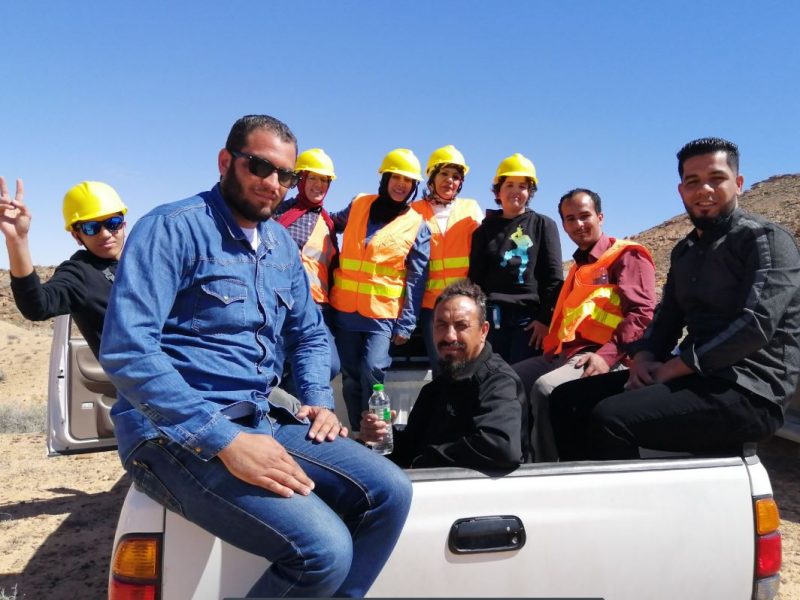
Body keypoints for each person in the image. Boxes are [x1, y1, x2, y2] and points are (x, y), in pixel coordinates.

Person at [99, 114, 412, 598]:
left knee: (390, 492)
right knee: (324, 552)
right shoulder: (171, 229)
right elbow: (128, 351)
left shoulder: (281, 249)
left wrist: (316, 400)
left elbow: (309, 335)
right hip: (170, 435)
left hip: (260, 418)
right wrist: (224, 440)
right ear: (227, 161)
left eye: (285, 175)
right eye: (260, 167)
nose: (273, 185)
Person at [550, 137, 800, 461]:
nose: (704, 190)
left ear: (738, 184)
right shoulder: (685, 251)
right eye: (693, 181)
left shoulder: (764, 240)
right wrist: (643, 357)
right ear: (681, 190)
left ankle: (622, 509)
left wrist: (675, 367)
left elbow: (755, 324)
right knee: (566, 399)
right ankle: (576, 495)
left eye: (717, 179)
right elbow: (667, 316)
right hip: (693, 377)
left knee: (611, 418)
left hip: (749, 388)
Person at [513, 188, 656, 461]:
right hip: (562, 355)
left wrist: (607, 356)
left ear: (600, 216)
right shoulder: (579, 268)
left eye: (584, 216)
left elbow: (642, 313)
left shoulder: (625, 255)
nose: (578, 225)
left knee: (546, 389)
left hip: (602, 354)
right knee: (507, 380)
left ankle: (548, 470)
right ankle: (517, 459)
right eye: (570, 219)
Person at [360, 279, 525, 470]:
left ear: (483, 331)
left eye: (461, 326)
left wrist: (424, 462)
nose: (449, 336)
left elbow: (501, 447)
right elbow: (410, 450)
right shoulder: (435, 389)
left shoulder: (498, 382)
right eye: (441, 325)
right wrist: (380, 436)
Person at [329, 148, 431, 431]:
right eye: (396, 177)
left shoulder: (417, 225)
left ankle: (379, 431)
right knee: (349, 375)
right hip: (345, 310)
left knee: (374, 371)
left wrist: (407, 323)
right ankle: (359, 433)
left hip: (382, 315)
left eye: (408, 180)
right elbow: (329, 223)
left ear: (413, 187)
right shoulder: (358, 204)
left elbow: (416, 277)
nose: (401, 184)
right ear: (385, 178)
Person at [0, 177, 127, 358]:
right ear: (77, 236)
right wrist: (17, 241)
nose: (105, 234)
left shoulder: (144, 263)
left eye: (112, 223)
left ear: (123, 224)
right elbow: (36, 306)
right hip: (145, 382)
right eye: (91, 227)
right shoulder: (79, 274)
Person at [468, 153, 563, 364]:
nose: (515, 191)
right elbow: (475, 280)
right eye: (509, 184)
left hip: (529, 323)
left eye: (522, 186)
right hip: (491, 320)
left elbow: (554, 278)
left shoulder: (543, 225)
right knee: (491, 382)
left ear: (530, 192)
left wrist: (544, 320)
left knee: (521, 382)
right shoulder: (483, 232)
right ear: (498, 190)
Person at [411, 145, 483, 376]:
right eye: (444, 174)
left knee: (469, 368)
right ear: (431, 177)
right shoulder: (413, 211)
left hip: (464, 303)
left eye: (456, 176)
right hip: (431, 306)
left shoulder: (471, 208)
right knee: (442, 368)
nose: (450, 181)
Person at [273, 148, 341, 392]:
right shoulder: (277, 213)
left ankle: (290, 402)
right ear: (300, 179)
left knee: (330, 366)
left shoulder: (328, 222)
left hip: (318, 308)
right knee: (273, 368)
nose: (319, 185)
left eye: (324, 180)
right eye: (313, 178)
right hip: (280, 303)